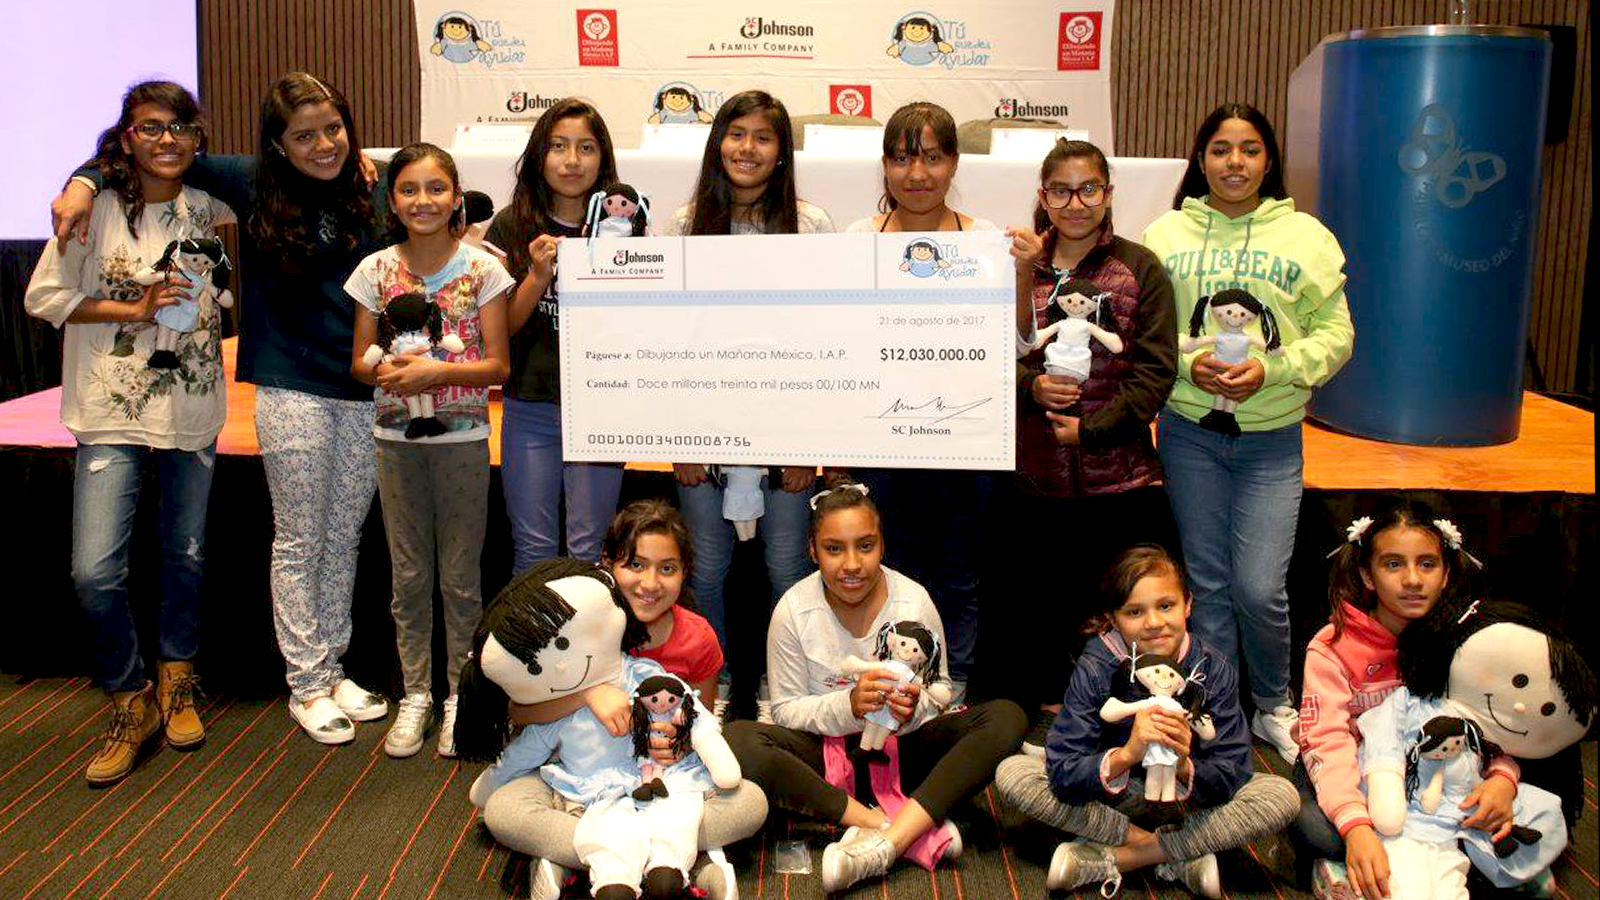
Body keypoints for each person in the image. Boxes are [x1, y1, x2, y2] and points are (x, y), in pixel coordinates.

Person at [52, 72, 393, 744]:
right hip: (289, 383)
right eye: (304, 135)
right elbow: (141, 153)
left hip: (362, 385)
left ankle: (334, 665)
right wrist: (82, 184)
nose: (322, 144)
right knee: (300, 538)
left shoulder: (373, 183)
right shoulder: (249, 182)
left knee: (342, 536)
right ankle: (305, 682)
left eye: (333, 129)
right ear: (276, 143)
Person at [26, 81, 233, 786]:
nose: (167, 139)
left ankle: (177, 678)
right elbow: (43, 297)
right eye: (151, 128)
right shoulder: (95, 211)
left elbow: (288, 184)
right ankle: (129, 695)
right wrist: (135, 305)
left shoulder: (208, 204)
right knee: (93, 571)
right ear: (125, 138)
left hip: (193, 411)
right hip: (110, 411)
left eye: (180, 127)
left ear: (196, 138)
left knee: (187, 558)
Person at [1140, 103, 1354, 762]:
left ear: (1269, 159)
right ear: (1200, 158)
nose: (1235, 162)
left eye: (1250, 149)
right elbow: (1143, 327)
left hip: (1271, 438)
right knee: (1206, 584)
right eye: (1221, 149)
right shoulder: (1166, 235)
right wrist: (1185, 359)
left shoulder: (1308, 237)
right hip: (1188, 432)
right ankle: (1213, 704)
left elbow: (1337, 333)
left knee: (1260, 586)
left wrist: (1275, 368)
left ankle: (1274, 704)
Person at [723, 479, 1027, 893]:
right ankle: (881, 823)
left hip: (905, 750)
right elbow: (787, 710)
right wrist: (849, 705)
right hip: (825, 759)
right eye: (834, 549)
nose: (851, 564)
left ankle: (889, 841)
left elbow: (940, 689)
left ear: (883, 546)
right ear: (813, 551)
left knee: (1006, 717)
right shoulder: (793, 609)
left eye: (865, 546)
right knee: (739, 739)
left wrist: (913, 706)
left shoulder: (913, 600)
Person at [481, 501, 767, 900]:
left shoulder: (698, 637)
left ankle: (579, 858)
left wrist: (678, 739)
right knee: (503, 809)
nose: (649, 583)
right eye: (634, 564)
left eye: (667, 568)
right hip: (579, 779)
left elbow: (703, 718)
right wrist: (587, 694)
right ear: (607, 563)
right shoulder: (577, 618)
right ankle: (687, 862)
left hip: (666, 782)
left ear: (685, 573)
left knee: (750, 803)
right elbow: (519, 712)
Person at [994, 545, 1298, 898]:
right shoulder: (1097, 666)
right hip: (1113, 802)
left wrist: (1185, 764)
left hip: (1186, 803)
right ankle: (1178, 854)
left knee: (1280, 795)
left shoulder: (1213, 668)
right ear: (1113, 618)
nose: (1154, 623)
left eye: (1166, 606)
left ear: (1188, 604)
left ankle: (1117, 858)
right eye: (1135, 612)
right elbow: (1063, 770)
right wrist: (1127, 754)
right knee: (1013, 773)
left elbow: (1234, 770)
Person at [1006, 138, 1179, 754]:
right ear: (1043, 197)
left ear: (1108, 194)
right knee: (1046, 613)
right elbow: (984, 354)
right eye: (1060, 190)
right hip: (1036, 481)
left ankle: (1134, 732)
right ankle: (1055, 730)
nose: (1074, 203)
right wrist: (1032, 388)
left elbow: (1155, 373)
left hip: (1120, 481)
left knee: (1122, 618)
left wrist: (1092, 429)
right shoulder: (1020, 265)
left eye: (1088, 189)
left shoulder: (1141, 268)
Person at [660, 89, 833, 698]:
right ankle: (718, 682)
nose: (748, 148)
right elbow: (669, 338)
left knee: (787, 568)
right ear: (718, 145)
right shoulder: (683, 226)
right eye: (737, 134)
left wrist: (806, 443)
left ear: (782, 152)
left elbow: (824, 341)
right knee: (706, 570)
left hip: (785, 432)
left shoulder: (811, 226)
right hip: (704, 432)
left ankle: (782, 690)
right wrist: (679, 439)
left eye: (764, 136)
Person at [345, 142, 512, 757]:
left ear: (456, 197)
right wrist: (391, 369)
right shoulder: (375, 270)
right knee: (409, 575)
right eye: (409, 189)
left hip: (463, 441)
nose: (423, 201)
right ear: (392, 201)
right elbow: (360, 365)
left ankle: (458, 698)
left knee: (461, 579)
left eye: (436, 189)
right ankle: (415, 693)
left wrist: (436, 375)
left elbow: (498, 366)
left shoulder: (483, 269)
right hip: (395, 441)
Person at [843, 101, 1000, 705]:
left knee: (958, 574)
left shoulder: (983, 240)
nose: (917, 173)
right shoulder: (859, 239)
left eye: (933, 158)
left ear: (953, 163)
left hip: (962, 440)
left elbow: (1003, 343)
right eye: (903, 158)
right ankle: (893, 682)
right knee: (890, 567)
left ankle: (954, 684)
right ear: (885, 166)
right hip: (880, 435)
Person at [1295, 501, 1518, 900]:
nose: (1412, 580)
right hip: (1355, 771)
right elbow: (1327, 741)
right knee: (1320, 830)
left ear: (1446, 573)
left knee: (1507, 811)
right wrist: (1357, 827)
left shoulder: (1467, 642)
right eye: (1393, 564)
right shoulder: (1332, 647)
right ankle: (1342, 864)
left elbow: (1500, 724)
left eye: (1427, 564)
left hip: (1439, 777)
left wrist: (1503, 779)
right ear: (1366, 573)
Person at [482, 98, 627, 573]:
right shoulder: (511, 225)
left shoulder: (625, 227)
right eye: (558, 146)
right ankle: (531, 649)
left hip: (602, 412)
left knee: (589, 551)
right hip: (531, 407)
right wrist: (539, 275)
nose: (572, 160)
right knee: (533, 547)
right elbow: (499, 330)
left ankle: (589, 649)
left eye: (586, 148)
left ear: (603, 158)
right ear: (538, 155)